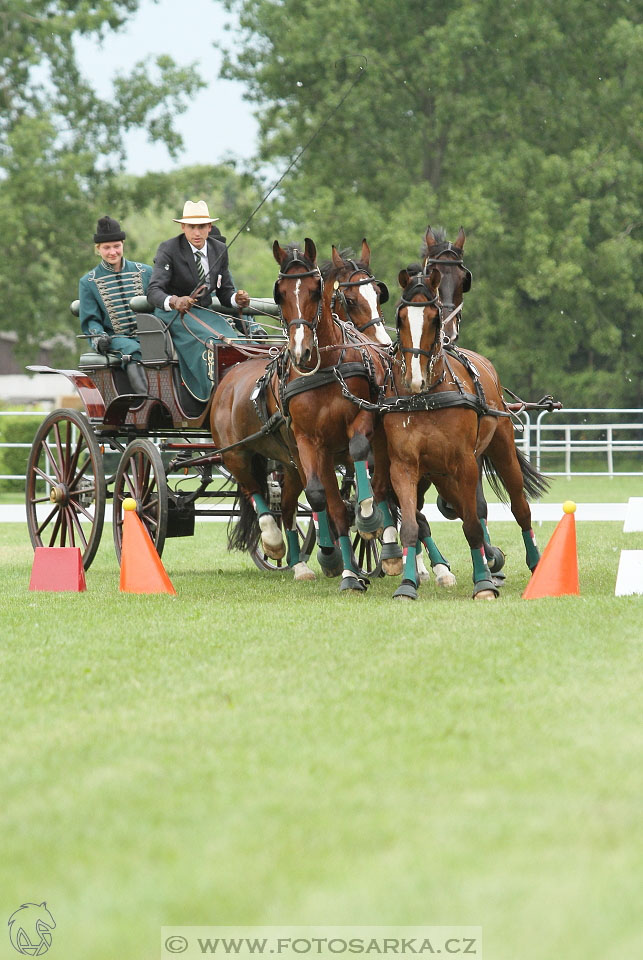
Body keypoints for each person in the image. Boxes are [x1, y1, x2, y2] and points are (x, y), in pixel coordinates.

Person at [146, 200, 267, 404]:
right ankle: (214, 396)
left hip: (204, 312)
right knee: (212, 343)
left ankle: (246, 392)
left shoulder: (218, 248)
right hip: (175, 315)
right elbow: (153, 291)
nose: (197, 233)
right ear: (183, 227)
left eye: (202, 227)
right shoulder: (169, 249)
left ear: (209, 227)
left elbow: (225, 291)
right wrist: (175, 301)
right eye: (192, 227)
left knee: (235, 342)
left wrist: (236, 300)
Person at [79, 216, 152, 394]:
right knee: (134, 350)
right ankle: (148, 399)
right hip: (117, 339)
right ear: (98, 249)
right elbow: (91, 321)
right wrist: (100, 338)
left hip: (150, 334)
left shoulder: (145, 272)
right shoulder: (88, 282)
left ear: (122, 245)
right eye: (107, 247)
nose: (112, 252)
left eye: (116, 246)